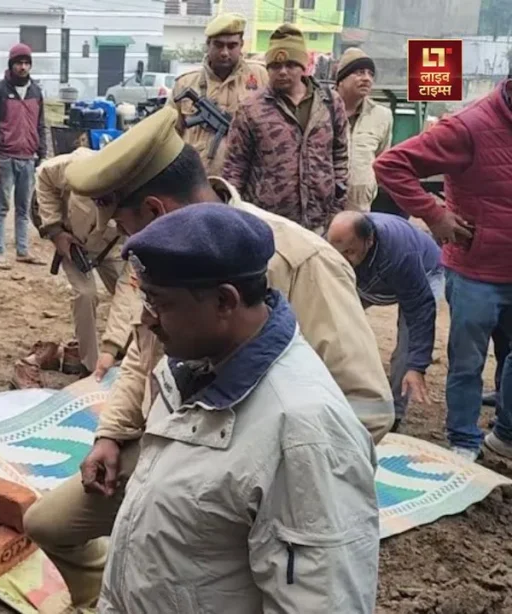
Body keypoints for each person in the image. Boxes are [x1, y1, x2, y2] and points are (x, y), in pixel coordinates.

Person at [23, 106, 393, 609]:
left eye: (126, 225)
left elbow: (364, 408)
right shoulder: (166, 270)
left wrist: (265, 484)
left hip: (258, 467)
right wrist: (112, 434)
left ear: (154, 210)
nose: (126, 241)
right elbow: (144, 353)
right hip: (169, 445)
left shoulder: (301, 260)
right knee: (50, 523)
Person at [96, 203, 378, 613]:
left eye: (159, 302)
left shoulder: (304, 434)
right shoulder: (192, 365)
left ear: (225, 302)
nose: (146, 319)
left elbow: (323, 601)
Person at [374, 76, 512, 462]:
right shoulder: (468, 126)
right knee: (468, 362)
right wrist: (435, 215)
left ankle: (505, 434)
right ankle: (464, 441)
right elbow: (391, 164)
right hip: (477, 272)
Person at [221, 24, 348, 232]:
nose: (282, 72)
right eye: (275, 66)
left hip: (319, 222)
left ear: (303, 66)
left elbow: (340, 156)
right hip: (267, 222)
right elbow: (235, 168)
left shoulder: (330, 103)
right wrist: (234, 216)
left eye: (290, 65)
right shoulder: (251, 109)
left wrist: (336, 207)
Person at [25, 147, 137, 384]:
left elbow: (130, 287)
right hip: (73, 242)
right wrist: (55, 230)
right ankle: (90, 366)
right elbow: (43, 176)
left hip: (113, 247)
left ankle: (131, 354)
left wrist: (113, 345)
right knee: (85, 295)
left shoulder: (138, 203)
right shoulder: (78, 167)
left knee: (135, 298)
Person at [327, 211, 443, 430]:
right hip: (369, 280)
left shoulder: (400, 253)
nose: (342, 258)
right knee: (334, 325)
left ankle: (394, 415)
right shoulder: (334, 246)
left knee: (406, 349)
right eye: (336, 251)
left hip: (424, 273)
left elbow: (420, 309)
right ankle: (337, 393)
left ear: (369, 240)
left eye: (349, 251)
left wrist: (417, 366)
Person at [169, 12, 267, 176]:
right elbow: (170, 134)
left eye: (231, 46)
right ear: (208, 45)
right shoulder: (186, 83)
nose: (224, 52)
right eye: (218, 45)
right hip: (195, 179)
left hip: (243, 179)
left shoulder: (260, 77)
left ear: (241, 45)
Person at [0, 42, 47, 269]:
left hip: (28, 158)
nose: (22, 67)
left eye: (26, 63)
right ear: (11, 65)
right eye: (18, 63)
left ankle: (22, 251)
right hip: (5, 158)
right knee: (2, 207)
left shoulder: (36, 92)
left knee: (24, 209)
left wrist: (42, 153)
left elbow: (41, 124)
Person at [335, 48, 393, 211]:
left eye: (370, 74)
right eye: (359, 72)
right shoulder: (322, 110)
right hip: (322, 204)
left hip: (360, 205)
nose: (367, 79)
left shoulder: (382, 115)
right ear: (342, 79)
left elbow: (381, 156)